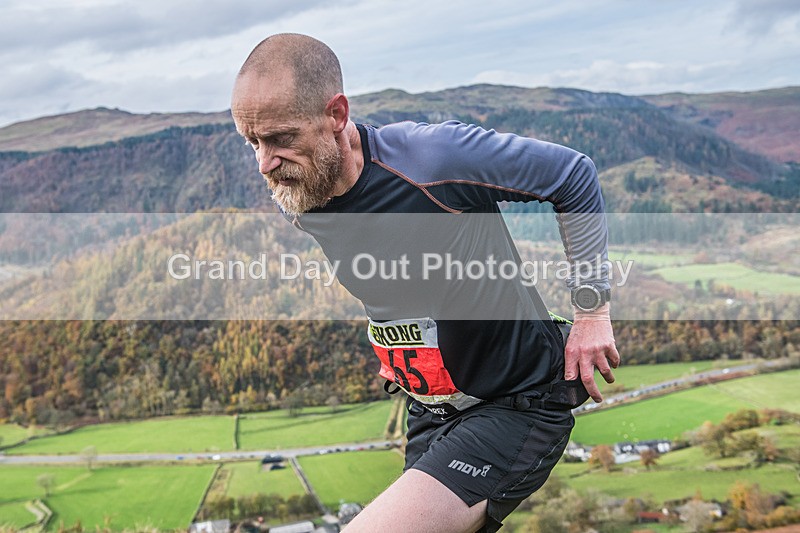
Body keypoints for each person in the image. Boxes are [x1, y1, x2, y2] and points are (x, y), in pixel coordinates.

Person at [231, 33, 620, 533]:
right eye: (253, 142)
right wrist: (400, 351)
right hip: (430, 412)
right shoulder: (301, 191)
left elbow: (573, 175)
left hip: (515, 402)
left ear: (337, 114)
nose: (265, 162)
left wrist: (591, 313)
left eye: (281, 138)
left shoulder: (432, 159)